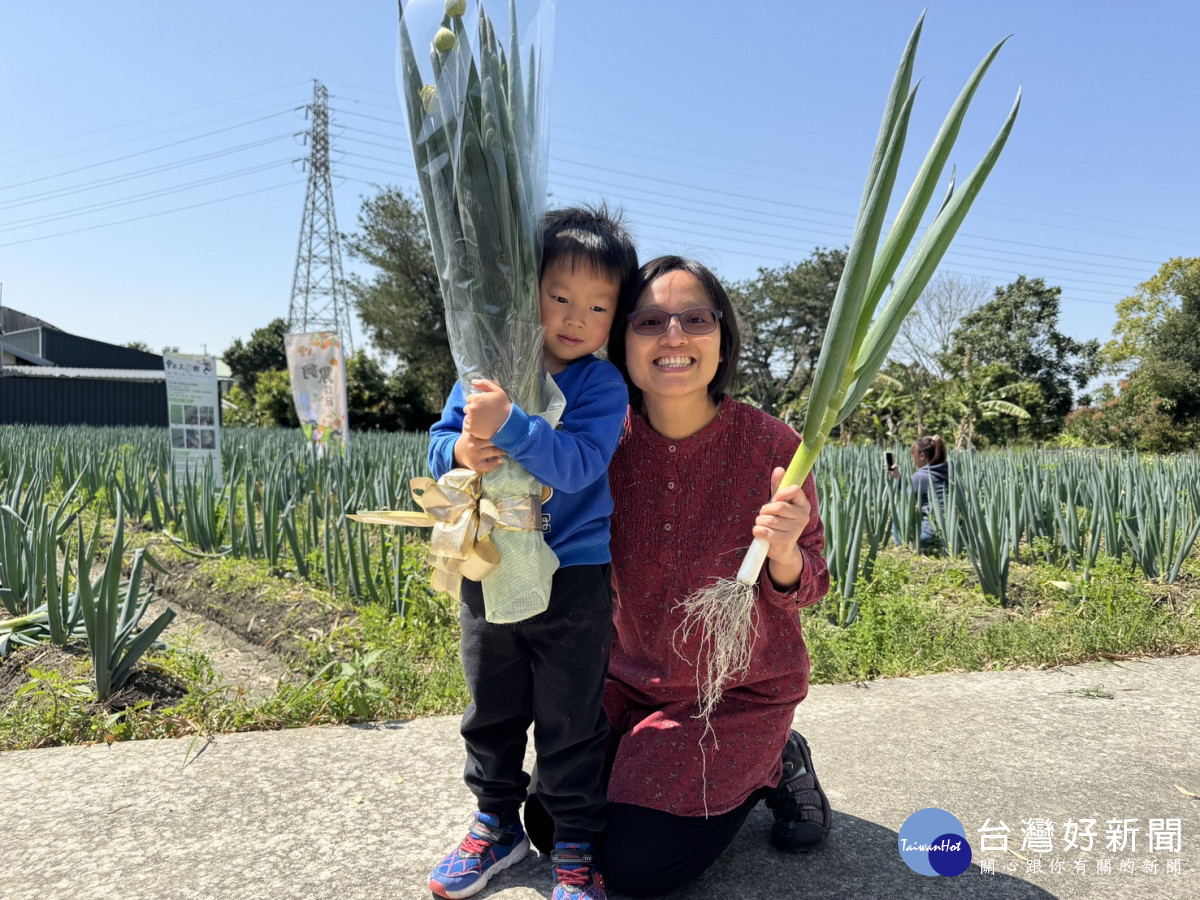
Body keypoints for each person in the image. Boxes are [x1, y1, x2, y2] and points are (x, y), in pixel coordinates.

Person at [524, 256, 833, 896]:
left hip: (735, 692)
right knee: (552, 828)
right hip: (623, 685)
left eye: (695, 319)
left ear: (723, 340)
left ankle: (777, 758)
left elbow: (813, 583)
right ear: (623, 343)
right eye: (649, 321)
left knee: (636, 868)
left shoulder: (775, 446)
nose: (673, 337)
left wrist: (783, 552)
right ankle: (696, 761)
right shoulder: (595, 442)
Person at [425, 205, 638, 900]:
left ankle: (575, 845)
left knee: (570, 716)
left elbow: (578, 465)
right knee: (491, 704)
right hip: (488, 560)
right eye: (560, 297)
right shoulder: (486, 371)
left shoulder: (600, 385)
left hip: (572, 573)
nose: (577, 317)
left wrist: (510, 426)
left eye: (599, 305)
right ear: (528, 294)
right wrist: (460, 446)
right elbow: (437, 442)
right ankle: (495, 824)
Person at [889, 434, 949, 552]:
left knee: (899, 510)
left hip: (930, 536)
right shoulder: (950, 472)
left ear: (922, 456)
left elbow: (905, 498)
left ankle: (901, 547)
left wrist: (896, 477)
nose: (912, 458)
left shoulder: (920, 477)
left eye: (913, 454)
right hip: (956, 532)